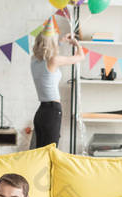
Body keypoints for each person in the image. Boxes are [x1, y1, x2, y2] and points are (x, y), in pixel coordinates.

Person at [31, 18, 84, 148]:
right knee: (51, 150)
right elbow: (80, 57)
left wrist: (60, 41)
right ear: (51, 43)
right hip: (53, 111)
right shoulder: (53, 61)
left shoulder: (34, 61)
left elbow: (47, 53)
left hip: (41, 112)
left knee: (40, 150)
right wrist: (77, 44)